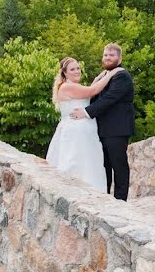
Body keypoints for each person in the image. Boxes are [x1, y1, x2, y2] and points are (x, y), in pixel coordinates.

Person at [45, 56, 121, 192]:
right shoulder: (67, 87)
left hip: (83, 131)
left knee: (88, 162)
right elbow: (92, 91)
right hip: (76, 132)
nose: (77, 71)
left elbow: (88, 90)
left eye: (78, 68)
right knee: (77, 162)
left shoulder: (72, 86)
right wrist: (112, 73)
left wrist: (100, 76)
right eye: (72, 69)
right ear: (65, 73)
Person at [70, 43, 135, 201]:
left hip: (117, 129)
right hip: (101, 129)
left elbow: (109, 99)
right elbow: (92, 95)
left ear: (119, 58)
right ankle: (105, 198)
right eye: (105, 55)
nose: (107, 57)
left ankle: (120, 201)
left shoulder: (122, 76)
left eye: (111, 55)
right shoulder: (103, 76)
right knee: (104, 166)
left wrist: (86, 113)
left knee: (118, 166)